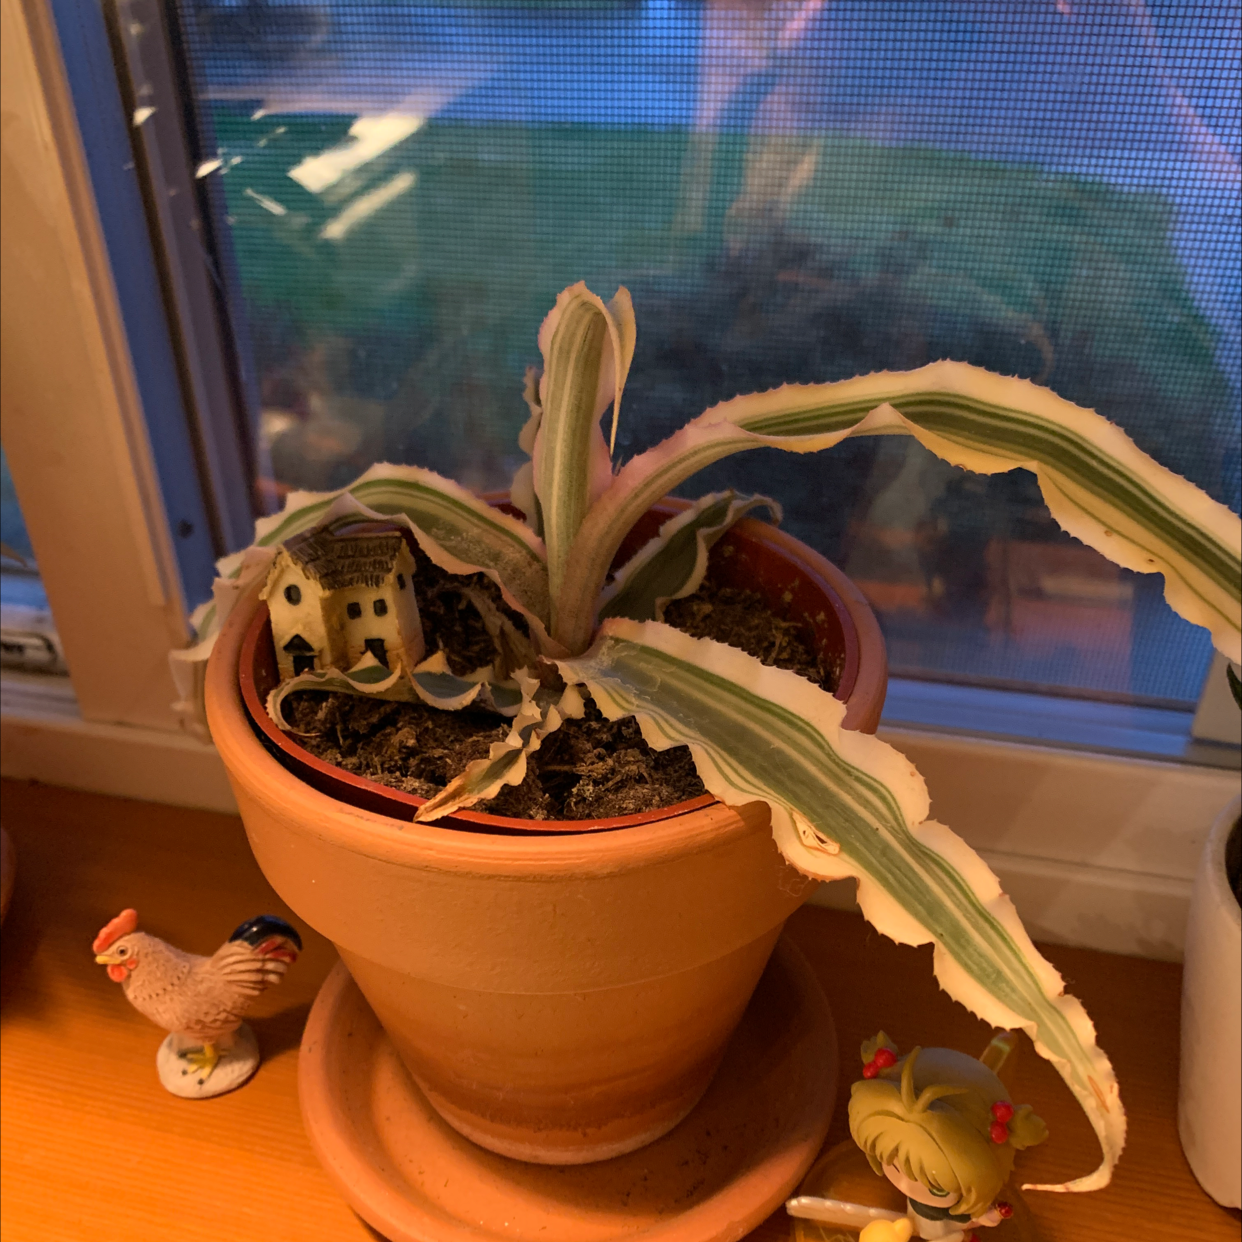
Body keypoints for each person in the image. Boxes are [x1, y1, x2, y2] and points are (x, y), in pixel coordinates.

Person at [848, 1033, 1048, 1241]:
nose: (908, 1184)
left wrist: (992, 1214)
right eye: (894, 1166)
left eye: (937, 1189)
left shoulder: (956, 1208)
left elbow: (971, 1219)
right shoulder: (916, 1198)